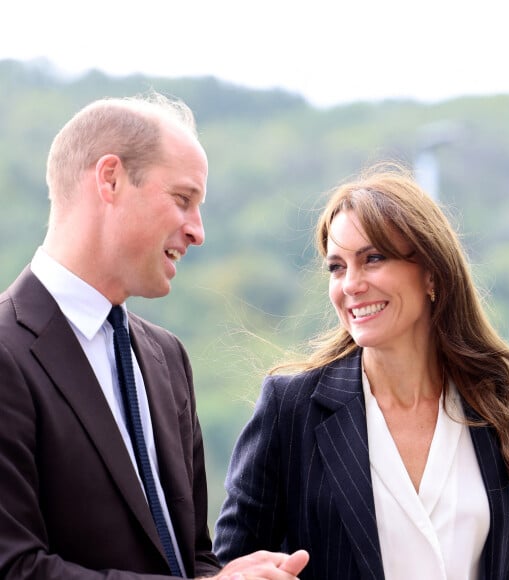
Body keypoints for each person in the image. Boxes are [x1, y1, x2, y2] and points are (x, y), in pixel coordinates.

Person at [0, 92, 308, 579]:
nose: (198, 231)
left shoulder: (167, 358)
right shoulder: (6, 351)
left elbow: (191, 560)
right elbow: (13, 567)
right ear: (111, 179)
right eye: (183, 200)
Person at [213, 165, 509, 579]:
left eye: (373, 259)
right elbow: (230, 566)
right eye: (337, 267)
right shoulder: (290, 409)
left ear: (432, 272)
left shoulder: (502, 407)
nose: (350, 285)